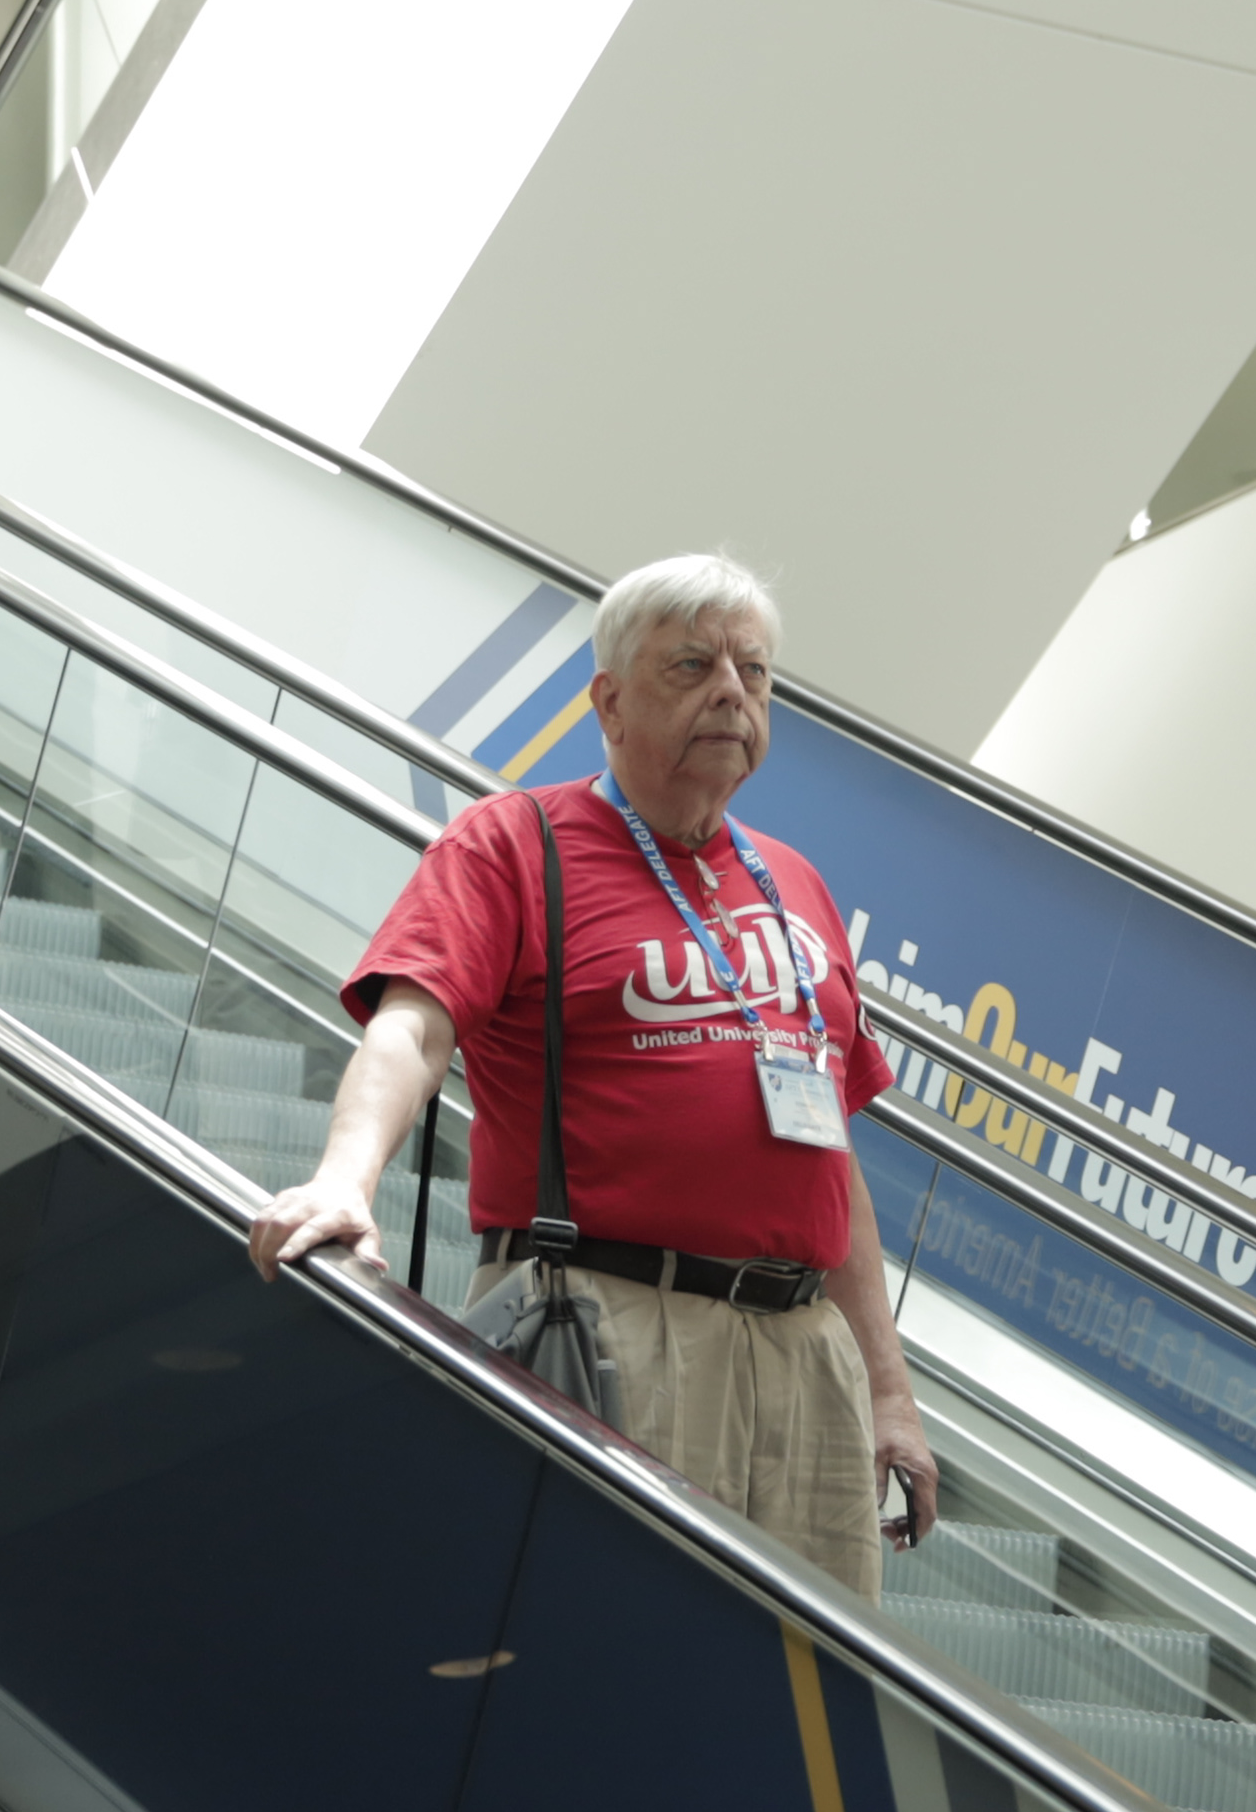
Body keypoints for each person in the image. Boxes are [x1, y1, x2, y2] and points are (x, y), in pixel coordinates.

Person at [249, 554, 937, 1597]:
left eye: (755, 673)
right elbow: (414, 1031)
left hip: (807, 1357)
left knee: (796, 1700)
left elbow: (828, 1149)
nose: (732, 694)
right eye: (694, 666)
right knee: (598, 1647)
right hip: (610, 1325)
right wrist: (346, 1177)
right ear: (608, 700)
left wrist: (888, 1386)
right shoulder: (514, 843)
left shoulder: (794, 882)